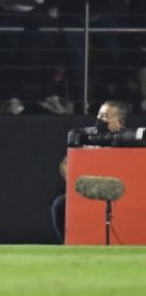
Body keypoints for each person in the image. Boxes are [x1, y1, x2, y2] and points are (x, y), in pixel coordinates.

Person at [53, 100, 128, 242]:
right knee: (60, 203)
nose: (99, 120)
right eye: (99, 115)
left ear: (120, 122)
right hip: (86, 190)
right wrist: (75, 180)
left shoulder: (125, 141)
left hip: (116, 194)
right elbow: (64, 163)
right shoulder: (86, 136)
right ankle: (67, 245)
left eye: (105, 116)